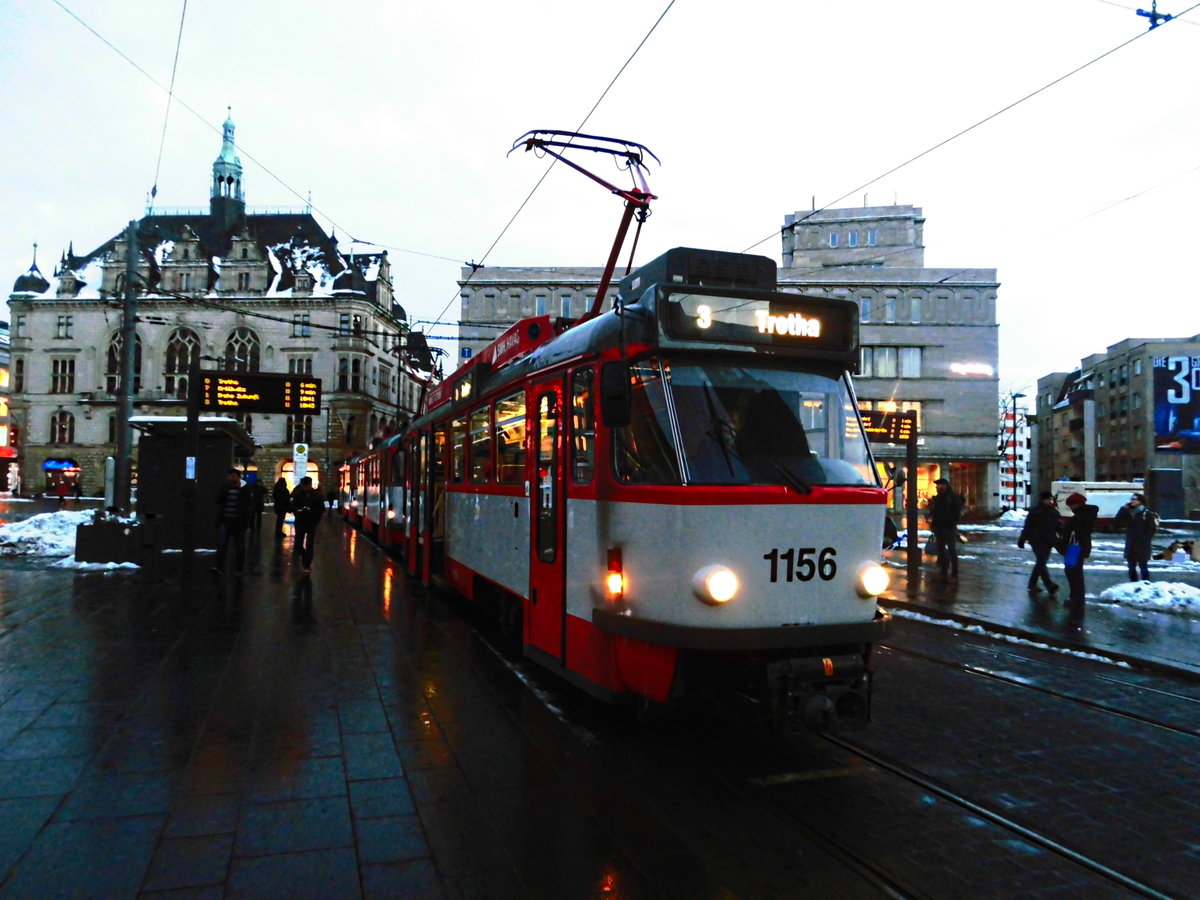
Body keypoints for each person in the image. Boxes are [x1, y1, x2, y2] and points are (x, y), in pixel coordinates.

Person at [1018, 491, 1061, 595]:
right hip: (1036, 540)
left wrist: (1063, 536)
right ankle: (1049, 585)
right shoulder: (1035, 511)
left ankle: (1032, 584)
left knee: (1041, 563)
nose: (1050, 501)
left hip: (1049, 541)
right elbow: (1028, 526)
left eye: (1051, 499)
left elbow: (1058, 527)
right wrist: (1022, 539)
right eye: (1048, 499)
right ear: (1042, 500)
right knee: (1041, 561)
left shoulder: (1054, 512)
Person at [1061, 492, 1098, 608]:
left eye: (1071, 505)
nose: (1070, 508)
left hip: (1075, 548)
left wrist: (1065, 529)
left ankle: (1075, 599)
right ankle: (1076, 598)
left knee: (1073, 573)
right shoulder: (1085, 514)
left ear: (1077, 504)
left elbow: (1076, 533)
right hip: (1078, 547)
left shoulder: (1081, 516)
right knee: (1074, 573)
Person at [1113, 492, 1157, 581]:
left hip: (1142, 545)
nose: (1131, 501)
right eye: (1131, 499)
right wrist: (1123, 509)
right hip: (1131, 545)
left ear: (1140, 501)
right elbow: (1116, 522)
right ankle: (1133, 584)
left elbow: (1152, 529)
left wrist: (1145, 539)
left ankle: (1146, 584)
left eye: (1134, 499)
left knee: (1143, 566)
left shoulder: (1147, 514)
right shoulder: (1128, 512)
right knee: (1131, 567)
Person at [214, 468, 251, 574]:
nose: (231, 479)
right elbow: (218, 499)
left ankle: (239, 568)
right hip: (226, 521)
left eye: (233, 477)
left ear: (238, 477)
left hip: (239, 523)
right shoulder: (225, 487)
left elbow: (248, 503)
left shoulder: (245, 489)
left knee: (239, 546)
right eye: (230, 477)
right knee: (222, 545)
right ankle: (219, 567)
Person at [927, 477, 962, 581]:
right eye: (937, 485)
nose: (937, 487)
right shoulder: (938, 498)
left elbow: (956, 513)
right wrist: (933, 524)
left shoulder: (953, 498)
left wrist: (951, 523)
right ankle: (944, 568)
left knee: (951, 549)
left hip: (949, 528)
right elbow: (936, 513)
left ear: (945, 486)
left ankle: (954, 570)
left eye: (939, 485)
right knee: (941, 549)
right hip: (939, 527)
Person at [290, 476, 324, 571]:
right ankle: (305, 557)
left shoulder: (316, 495)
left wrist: (313, 513)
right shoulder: (299, 494)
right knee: (298, 544)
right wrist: (298, 511)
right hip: (301, 521)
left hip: (311, 522)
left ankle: (307, 564)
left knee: (309, 543)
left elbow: (321, 509)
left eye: (306, 485)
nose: (305, 487)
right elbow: (293, 506)